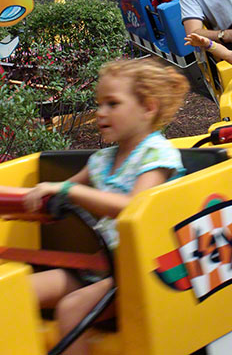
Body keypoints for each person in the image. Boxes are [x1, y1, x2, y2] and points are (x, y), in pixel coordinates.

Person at [11, 58, 189, 355]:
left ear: (148, 108)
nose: (100, 112)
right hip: (99, 266)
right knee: (16, 292)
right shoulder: (103, 160)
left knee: (71, 309)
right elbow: (60, 194)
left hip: (143, 272)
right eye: (99, 103)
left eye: (112, 104)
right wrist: (34, 204)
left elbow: (133, 207)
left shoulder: (158, 155)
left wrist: (69, 190)